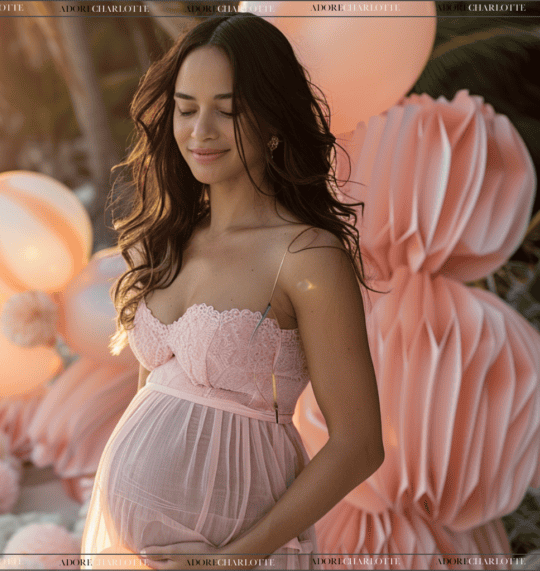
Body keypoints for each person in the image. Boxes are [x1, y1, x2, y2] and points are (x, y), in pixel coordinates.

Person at [80, 13, 385, 571]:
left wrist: (234, 559)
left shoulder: (304, 255)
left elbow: (359, 445)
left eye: (228, 110)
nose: (201, 131)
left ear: (272, 121)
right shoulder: (172, 236)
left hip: (237, 547)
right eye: (187, 108)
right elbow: (161, 391)